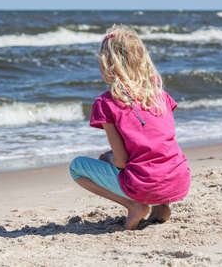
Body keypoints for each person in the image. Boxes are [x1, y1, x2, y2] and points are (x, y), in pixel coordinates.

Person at [69, 25, 190, 230]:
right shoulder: (161, 96)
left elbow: (121, 160)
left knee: (77, 167)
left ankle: (133, 205)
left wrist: (108, 158)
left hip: (145, 184)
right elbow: (155, 141)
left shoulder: (106, 102)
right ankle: (161, 207)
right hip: (178, 178)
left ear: (107, 63)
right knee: (153, 155)